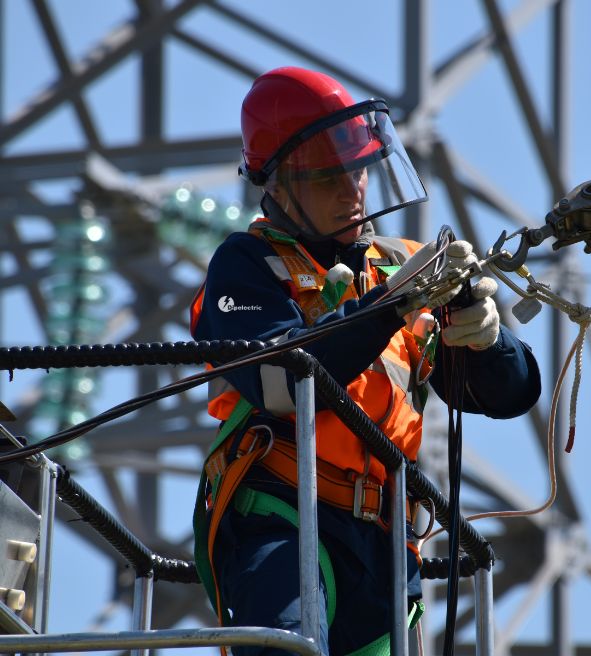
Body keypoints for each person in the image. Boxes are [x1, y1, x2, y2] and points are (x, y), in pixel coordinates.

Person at [190, 66, 541, 656]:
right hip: (285, 511)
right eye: (329, 177)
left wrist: (487, 338)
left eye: (357, 172)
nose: (351, 190)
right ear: (279, 186)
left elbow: (509, 394)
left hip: (385, 544)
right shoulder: (248, 263)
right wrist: (390, 307)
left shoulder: (397, 264)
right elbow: (280, 384)